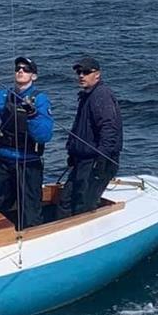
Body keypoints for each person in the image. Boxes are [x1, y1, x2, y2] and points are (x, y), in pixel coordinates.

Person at [0, 56, 54, 230]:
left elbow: (44, 135)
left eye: (26, 69)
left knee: (30, 214)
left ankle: (32, 243)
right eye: (18, 68)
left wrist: (31, 115)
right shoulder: (3, 96)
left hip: (28, 164)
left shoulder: (40, 100)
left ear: (34, 76)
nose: (20, 71)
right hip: (4, 162)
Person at [54, 54, 122, 219]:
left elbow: (109, 128)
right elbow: (80, 130)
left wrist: (102, 159)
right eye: (79, 72)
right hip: (82, 160)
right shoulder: (86, 95)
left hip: (96, 161)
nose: (81, 75)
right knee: (66, 200)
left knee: (84, 205)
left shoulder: (101, 95)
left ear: (97, 74)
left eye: (86, 72)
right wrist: (72, 153)